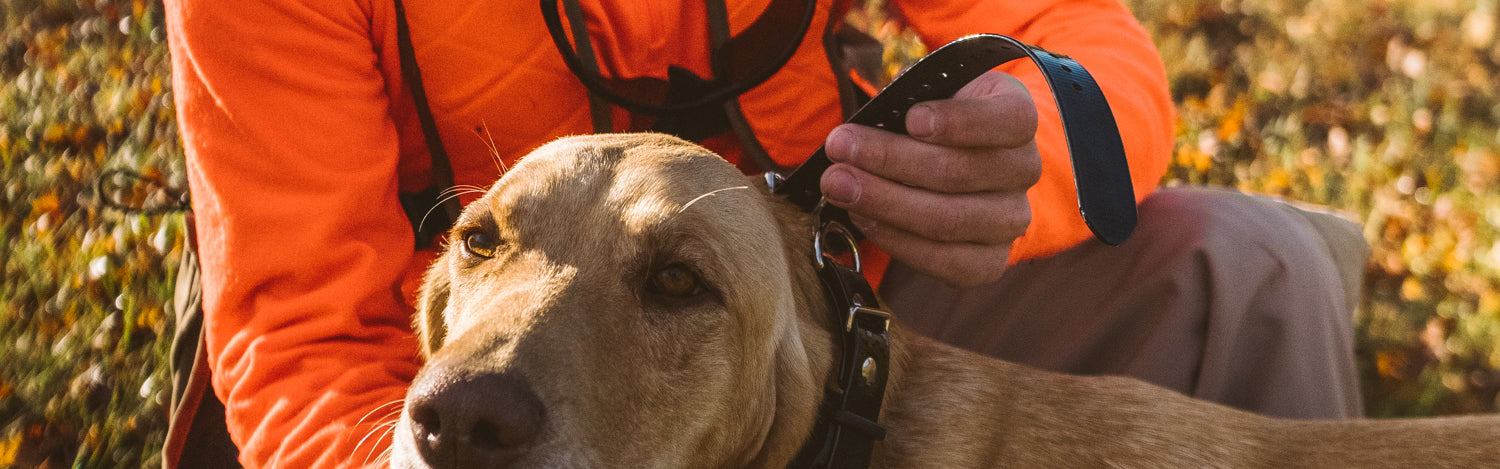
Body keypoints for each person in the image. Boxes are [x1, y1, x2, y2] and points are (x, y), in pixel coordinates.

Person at [161, 0, 1364, 467]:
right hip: (454, 395)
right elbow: (303, 334)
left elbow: (1080, 45)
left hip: (830, 320)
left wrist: (1016, 148)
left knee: (1250, 271)